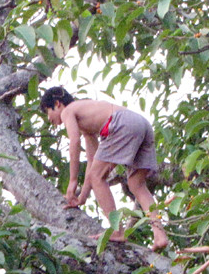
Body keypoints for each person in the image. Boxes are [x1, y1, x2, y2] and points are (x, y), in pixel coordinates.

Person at [40, 86, 168, 251]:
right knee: (137, 185)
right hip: (140, 123)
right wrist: (82, 197)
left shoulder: (68, 111)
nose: (49, 119)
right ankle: (160, 235)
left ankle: (117, 230)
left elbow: (74, 142)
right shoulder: (88, 126)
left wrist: (72, 181)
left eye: (47, 112)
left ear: (57, 104)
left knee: (98, 177)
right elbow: (92, 164)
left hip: (122, 122)